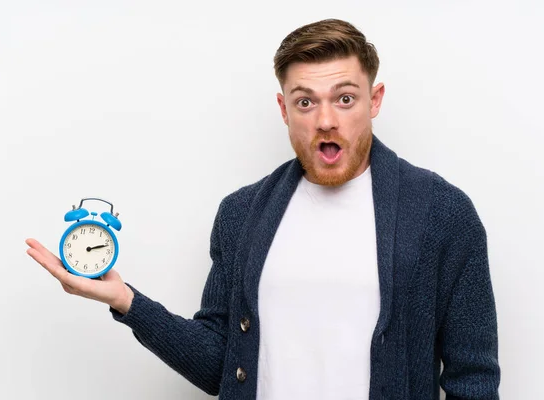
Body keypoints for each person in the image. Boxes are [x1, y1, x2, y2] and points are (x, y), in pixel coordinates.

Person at [26, 18, 500, 400]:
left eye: (345, 98)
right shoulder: (242, 214)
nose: (326, 120)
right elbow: (219, 364)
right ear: (283, 108)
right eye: (305, 102)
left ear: (374, 101)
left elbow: (473, 379)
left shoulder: (443, 214)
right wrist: (126, 301)